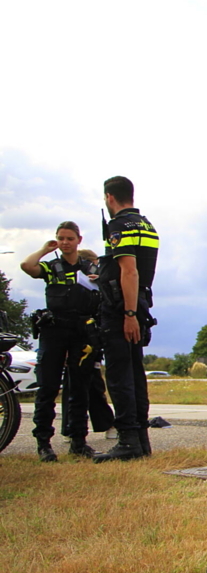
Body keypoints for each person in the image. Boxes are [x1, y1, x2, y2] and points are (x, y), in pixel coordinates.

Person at [92, 176, 160, 463]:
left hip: (123, 308)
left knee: (120, 375)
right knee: (135, 373)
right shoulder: (147, 225)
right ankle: (141, 439)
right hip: (140, 301)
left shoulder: (117, 226)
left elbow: (129, 271)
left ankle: (127, 441)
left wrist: (128, 314)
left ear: (110, 197)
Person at [20, 222, 101, 461]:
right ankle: (43, 443)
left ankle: (78, 441)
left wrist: (98, 277)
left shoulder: (89, 267)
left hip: (81, 331)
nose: (65, 242)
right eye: (61, 238)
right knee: (47, 387)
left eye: (69, 238)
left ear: (79, 240)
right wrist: (45, 249)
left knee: (80, 388)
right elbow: (27, 266)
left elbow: (105, 284)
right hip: (54, 330)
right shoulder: (51, 266)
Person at [60, 249, 115, 440]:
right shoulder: (71, 285)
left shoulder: (97, 283)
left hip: (91, 337)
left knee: (90, 383)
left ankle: (100, 424)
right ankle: (74, 428)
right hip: (77, 335)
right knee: (82, 384)